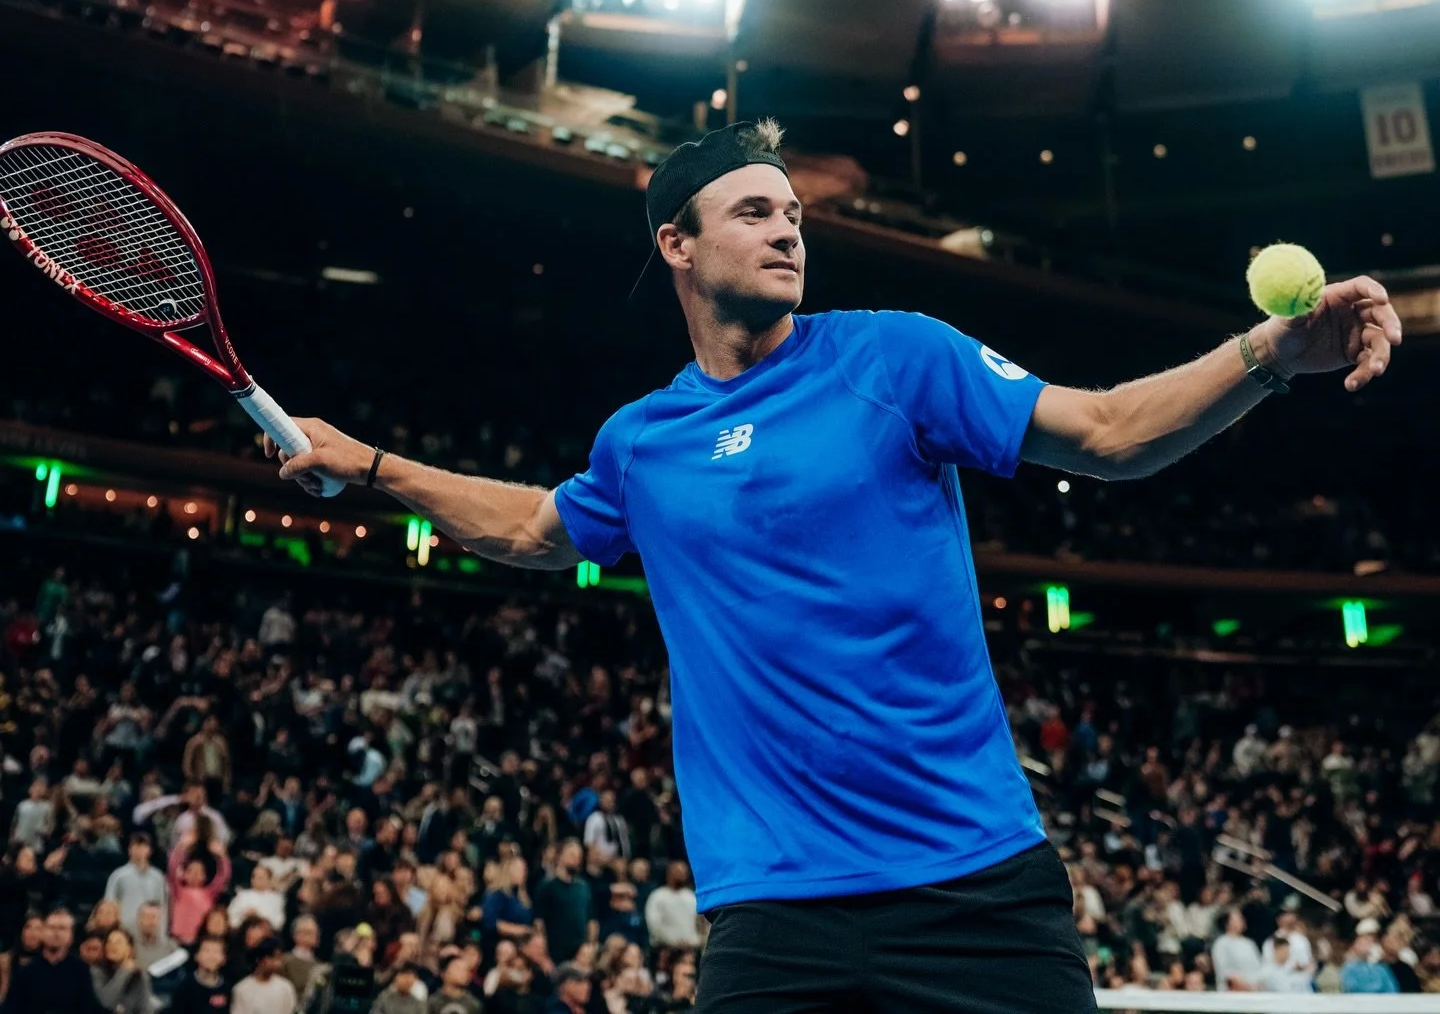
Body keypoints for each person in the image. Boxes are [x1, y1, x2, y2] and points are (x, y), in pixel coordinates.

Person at [268, 119, 1403, 1014]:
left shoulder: (894, 356)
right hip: (775, 917)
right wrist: (371, 465)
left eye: (794, 215)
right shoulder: (641, 443)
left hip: (976, 890)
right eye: (753, 211)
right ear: (676, 244)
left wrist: (1267, 355)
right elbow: (531, 529)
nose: (787, 233)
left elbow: (1109, 433)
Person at [3, 909, 103, 1014]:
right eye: (51, 927)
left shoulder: (81, 971)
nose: (56, 933)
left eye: (62, 928)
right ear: (43, 933)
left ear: (71, 936)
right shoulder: (26, 972)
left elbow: (90, 1007)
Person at [532, 847, 593, 967]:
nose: (576, 859)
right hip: (555, 951)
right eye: (572, 854)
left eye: (579, 856)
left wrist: (590, 946)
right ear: (559, 856)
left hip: (581, 952)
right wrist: (543, 956)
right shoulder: (546, 886)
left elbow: (591, 919)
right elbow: (539, 922)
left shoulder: (583, 887)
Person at [102, 844, 166, 944]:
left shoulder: (158, 877)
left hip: (149, 932)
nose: (139, 850)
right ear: (129, 850)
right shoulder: (118, 875)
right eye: (136, 846)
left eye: (143, 846)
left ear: (149, 850)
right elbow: (109, 904)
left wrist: (162, 933)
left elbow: (162, 907)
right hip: (124, 928)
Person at [90, 930, 152, 1014]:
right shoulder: (96, 971)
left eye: (118, 942)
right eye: (109, 942)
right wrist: (124, 971)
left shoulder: (139, 974)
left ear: (129, 949)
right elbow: (105, 1002)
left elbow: (145, 1008)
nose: (112, 946)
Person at [642, 868, 698, 955]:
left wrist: (696, 940)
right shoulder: (657, 896)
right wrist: (672, 942)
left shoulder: (691, 897)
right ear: (668, 874)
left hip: (690, 949)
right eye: (678, 871)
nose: (681, 875)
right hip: (664, 949)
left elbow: (699, 923)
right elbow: (654, 924)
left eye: (683, 872)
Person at [164, 939, 228, 1014]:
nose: (211, 956)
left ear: (224, 959)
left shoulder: (227, 987)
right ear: (196, 956)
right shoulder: (184, 986)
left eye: (216, 952)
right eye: (206, 951)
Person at [229, 942, 295, 1014]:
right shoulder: (242, 989)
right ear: (259, 959)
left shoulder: (285, 987)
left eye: (278, 958)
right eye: (272, 958)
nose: (276, 963)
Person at [1340, 921, 1400, 993]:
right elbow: (1351, 987)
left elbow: (1392, 989)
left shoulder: (1382, 969)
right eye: (1365, 939)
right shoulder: (1349, 968)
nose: (1369, 943)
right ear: (1356, 943)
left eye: (1372, 940)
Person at [1211, 908, 1263, 991]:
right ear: (1227, 923)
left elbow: (1258, 967)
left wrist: (1257, 985)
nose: (1242, 921)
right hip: (1232, 991)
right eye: (1239, 919)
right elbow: (1223, 971)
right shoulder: (1221, 943)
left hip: (1253, 991)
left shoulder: (1249, 943)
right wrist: (1244, 985)